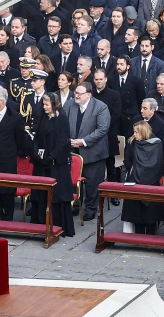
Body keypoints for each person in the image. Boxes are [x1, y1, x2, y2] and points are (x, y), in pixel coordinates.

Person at [30, 92, 76, 236]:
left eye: (47, 105)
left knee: (56, 195)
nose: (44, 107)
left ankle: (57, 225)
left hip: (56, 163)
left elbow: (63, 142)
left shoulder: (61, 118)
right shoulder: (42, 117)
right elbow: (36, 136)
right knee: (40, 193)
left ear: (54, 105)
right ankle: (39, 223)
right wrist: (37, 152)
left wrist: (51, 156)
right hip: (41, 162)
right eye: (43, 104)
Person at [65, 84, 111, 220]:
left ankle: (91, 208)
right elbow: (62, 124)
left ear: (88, 94)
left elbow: (102, 129)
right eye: (75, 93)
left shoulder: (100, 107)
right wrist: (68, 140)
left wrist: (83, 141)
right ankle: (75, 205)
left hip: (93, 153)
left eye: (79, 93)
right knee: (72, 180)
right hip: (73, 151)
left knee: (92, 183)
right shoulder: (69, 105)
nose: (76, 96)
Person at [0, 87, 29, 220]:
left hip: (7, 161)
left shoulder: (14, 117)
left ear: (1, 101)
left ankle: (8, 218)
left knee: (7, 190)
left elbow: (21, 138)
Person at [121, 121, 164, 233]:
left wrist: (145, 173)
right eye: (134, 132)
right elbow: (128, 160)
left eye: (137, 132)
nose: (134, 134)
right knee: (135, 211)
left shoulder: (156, 143)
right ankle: (138, 233)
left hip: (151, 181)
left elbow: (158, 163)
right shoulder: (132, 143)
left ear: (144, 132)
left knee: (150, 212)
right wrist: (134, 171)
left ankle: (151, 233)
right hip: (134, 180)